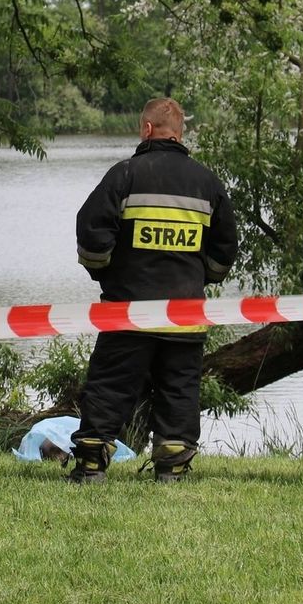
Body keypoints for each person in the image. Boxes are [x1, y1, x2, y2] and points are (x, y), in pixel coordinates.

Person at [70, 97, 238, 484]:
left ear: (146, 129)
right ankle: (172, 469)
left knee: (110, 387)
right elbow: (225, 248)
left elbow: (91, 233)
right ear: (180, 133)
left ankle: (92, 466)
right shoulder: (207, 182)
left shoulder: (124, 175)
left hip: (127, 311)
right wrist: (202, 279)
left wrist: (106, 275)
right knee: (179, 390)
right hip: (185, 315)